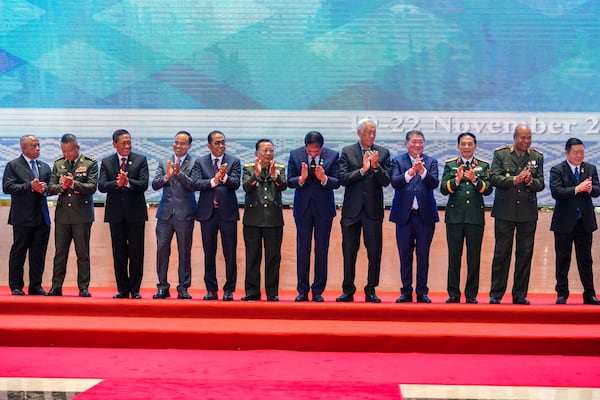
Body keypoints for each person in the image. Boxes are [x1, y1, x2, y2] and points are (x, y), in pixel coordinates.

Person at [336, 118, 391, 303]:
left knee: (374, 251)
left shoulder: (382, 153)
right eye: (368, 132)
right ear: (359, 133)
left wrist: (375, 167)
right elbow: (342, 178)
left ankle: (370, 289)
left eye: (374, 132)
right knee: (349, 251)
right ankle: (348, 290)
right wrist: (362, 170)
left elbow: (386, 181)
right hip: (351, 211)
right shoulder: (347, 152)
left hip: (373, 211)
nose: (372, 135)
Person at [489, 123, 544, 305]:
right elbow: (494, 178)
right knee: (501, 253)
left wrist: (529, 181)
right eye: (523, 137)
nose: (526, 141)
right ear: (514, 138)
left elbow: (541, 184)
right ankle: (496, 294)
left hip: (527, 213)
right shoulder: (501, 154)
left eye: (529, 138)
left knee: (525, 254)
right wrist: (514, 179)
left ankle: (519, 294)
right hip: (505, 212)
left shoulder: (537, 156)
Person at [440, 132, 493, 304]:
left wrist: (475, 180)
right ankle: (453, 293)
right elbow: (443, 189)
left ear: (475, 146)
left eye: (470, 144)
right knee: (454, 257)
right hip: (454, 218)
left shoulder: (483, 165)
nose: (466, 147)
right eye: (463, 144)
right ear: (458, 146)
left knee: (473, 258)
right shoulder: (450, 165)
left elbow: (489, 189)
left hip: (475, 218)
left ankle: (471, 294)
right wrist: (456, 180)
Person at [288, 131, 340, 302]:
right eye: (310, 151)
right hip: (303, 209)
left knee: (321, 249)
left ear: (321, 148)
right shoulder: (295, 155)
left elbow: (337, 181)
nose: (313, 154)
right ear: (305, 147)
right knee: (302, 249)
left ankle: (318, 291)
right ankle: (302, 290)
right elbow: (290, 180)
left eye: (316, 152)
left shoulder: (333, 156)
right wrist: (301, 179)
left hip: (324, 210)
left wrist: (324, 178)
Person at [98, 129, 149, 299]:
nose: (127, 146)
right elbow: (102, 186)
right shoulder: (107, 162)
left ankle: (135, 290)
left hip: (136, 214)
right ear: (115, 144)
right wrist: (117, 184)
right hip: (115, 214)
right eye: (123, 143)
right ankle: (122, 289)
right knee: (119, 253)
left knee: (136, 253)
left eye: (129, 142)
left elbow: (143, 184)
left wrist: (127, 182)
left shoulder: (140, 160)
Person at [390, 130, 439, 303]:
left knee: (423, 254)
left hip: (425, 216)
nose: (417, 145)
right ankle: (406, 291)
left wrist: (423, 171)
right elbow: (395, 182)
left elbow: (434, 183)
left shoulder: (431, 162)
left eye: (420, 142)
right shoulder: (397, 161)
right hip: (404, 216)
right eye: (414, 142)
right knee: (405, 254)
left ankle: (422, 292)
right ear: (406, 144)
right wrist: (411, 172)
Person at [192, 130, 241, 301]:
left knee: (230, 253)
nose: (221, 146)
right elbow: (196, 183)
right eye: (217, 143)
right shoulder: (200, 162)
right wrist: (214, 181)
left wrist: (224, 176)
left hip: (227, 214)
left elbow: (235, 183)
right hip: (207, 214)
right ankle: (211, 289)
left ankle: (229, 290)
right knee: (209, 252)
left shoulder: (233, 161)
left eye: (223, 142)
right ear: (209, 145)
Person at [550, 138, 600, 305]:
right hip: (563, 222)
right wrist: (577, 189)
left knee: (586, 260)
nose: (580, 155)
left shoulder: (590, 169)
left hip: (584, 222)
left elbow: (597, 190)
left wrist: (591, 189)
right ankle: (562, 293)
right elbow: (556, 192)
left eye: (582, 152)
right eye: (576, 152)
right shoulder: (557, 169)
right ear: (567, 153)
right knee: (563, 259)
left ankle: (589, 294)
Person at [47, 134, 98, 297]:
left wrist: (73, 184)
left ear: (77, 148)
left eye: (69, 150)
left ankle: (83, 287)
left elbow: (92, 187)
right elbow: (50, 187)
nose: (66, 154)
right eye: (64, 151)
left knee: (82, 253)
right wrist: (61, 187)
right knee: (60, 253)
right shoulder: (58, 164)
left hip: (82, 216)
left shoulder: (90, 163)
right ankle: (56, 286)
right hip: (62, 216)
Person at [3, 135, 51, 296]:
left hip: (42, 217)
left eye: (38, 145)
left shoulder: (44, 166)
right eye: (34, 146)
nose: (38, 148)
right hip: (22, 217)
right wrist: (29, 187)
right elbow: (8, 187)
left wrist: (45, 189)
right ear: (24, 148)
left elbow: (50, 188)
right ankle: (16, 285)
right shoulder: (13, 165)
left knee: (38, 254)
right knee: (19, 252)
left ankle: (35, 286)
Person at [152, 131, 197, 300]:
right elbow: (155, 184)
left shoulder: (195, 163)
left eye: (183, 143)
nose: (178, 146)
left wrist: (179, 174)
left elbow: (194, 185)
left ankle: (183, 287)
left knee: (184, 252)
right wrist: (167, 176)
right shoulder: (165, 162)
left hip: (185, 214)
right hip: (165, 214)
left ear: (189, 146)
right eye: (176, 142)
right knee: (162, 250)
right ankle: (162, 286)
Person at [241, 138, 287, 301]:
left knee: (273, 257)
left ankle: (272, 293)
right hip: (252, 220)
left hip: (274, 220)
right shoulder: (248, 168)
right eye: (265, 150)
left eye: (271, 150)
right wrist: (257, 174)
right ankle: (252, 292)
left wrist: (275, 177)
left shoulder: (279, 168)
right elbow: (246, 187)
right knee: (252, 257)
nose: (268, 153)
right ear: (257, 153)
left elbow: (283, 186)